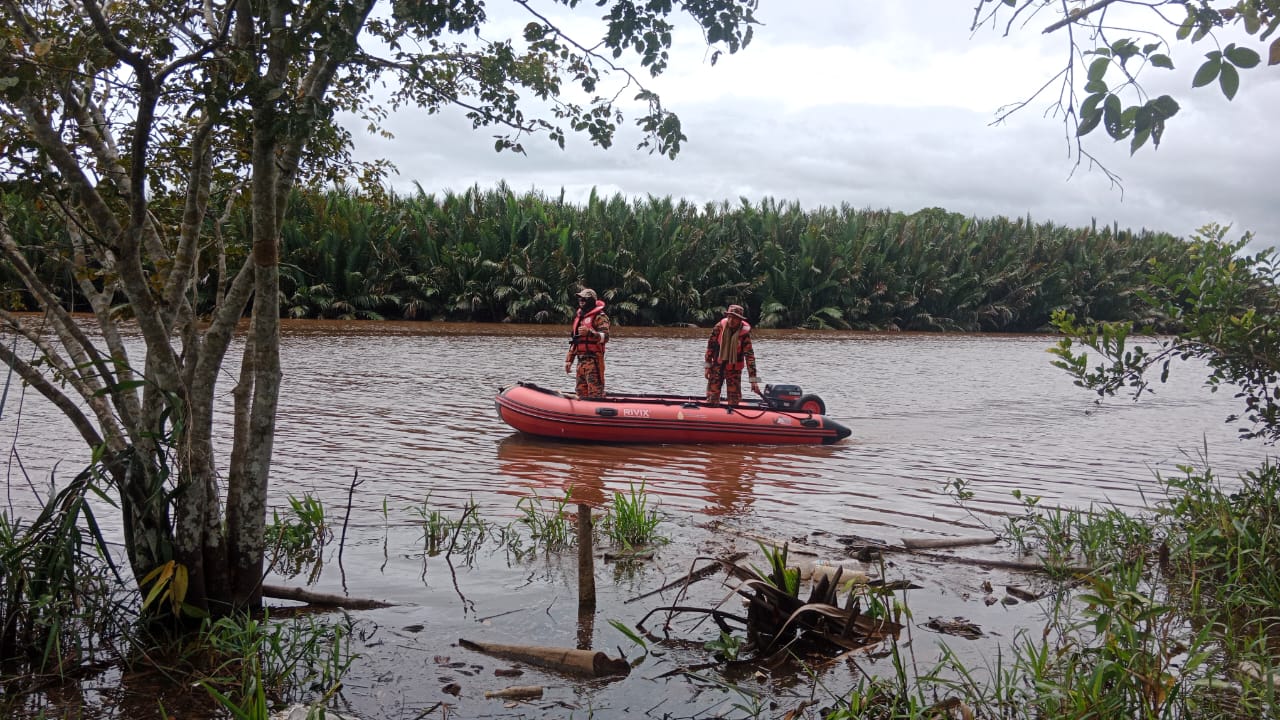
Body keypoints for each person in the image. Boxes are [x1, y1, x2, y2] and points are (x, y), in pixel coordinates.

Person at [704, 304, 761, 407]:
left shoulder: (744, 334)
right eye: (729, 317)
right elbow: (710, 347)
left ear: (740, 320)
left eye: (734, 318)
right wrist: (707, 367)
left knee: (734, 399)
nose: (731, 320)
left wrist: (754, 381)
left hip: (734, 370)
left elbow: (750, 358)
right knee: (712, 397)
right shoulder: (719, 327)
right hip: (717, 366)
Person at [565, 288, 610, 398]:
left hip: (594, 361)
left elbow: (605, 337)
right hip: (580, 362)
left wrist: (590, 333)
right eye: (580, 298)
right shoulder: (580, 318)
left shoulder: (600, 317)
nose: (581, 300)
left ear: (591, 300)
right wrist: (569, 360)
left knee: (595, 392)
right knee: (580, 392)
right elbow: (575, 342)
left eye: (585, 298)